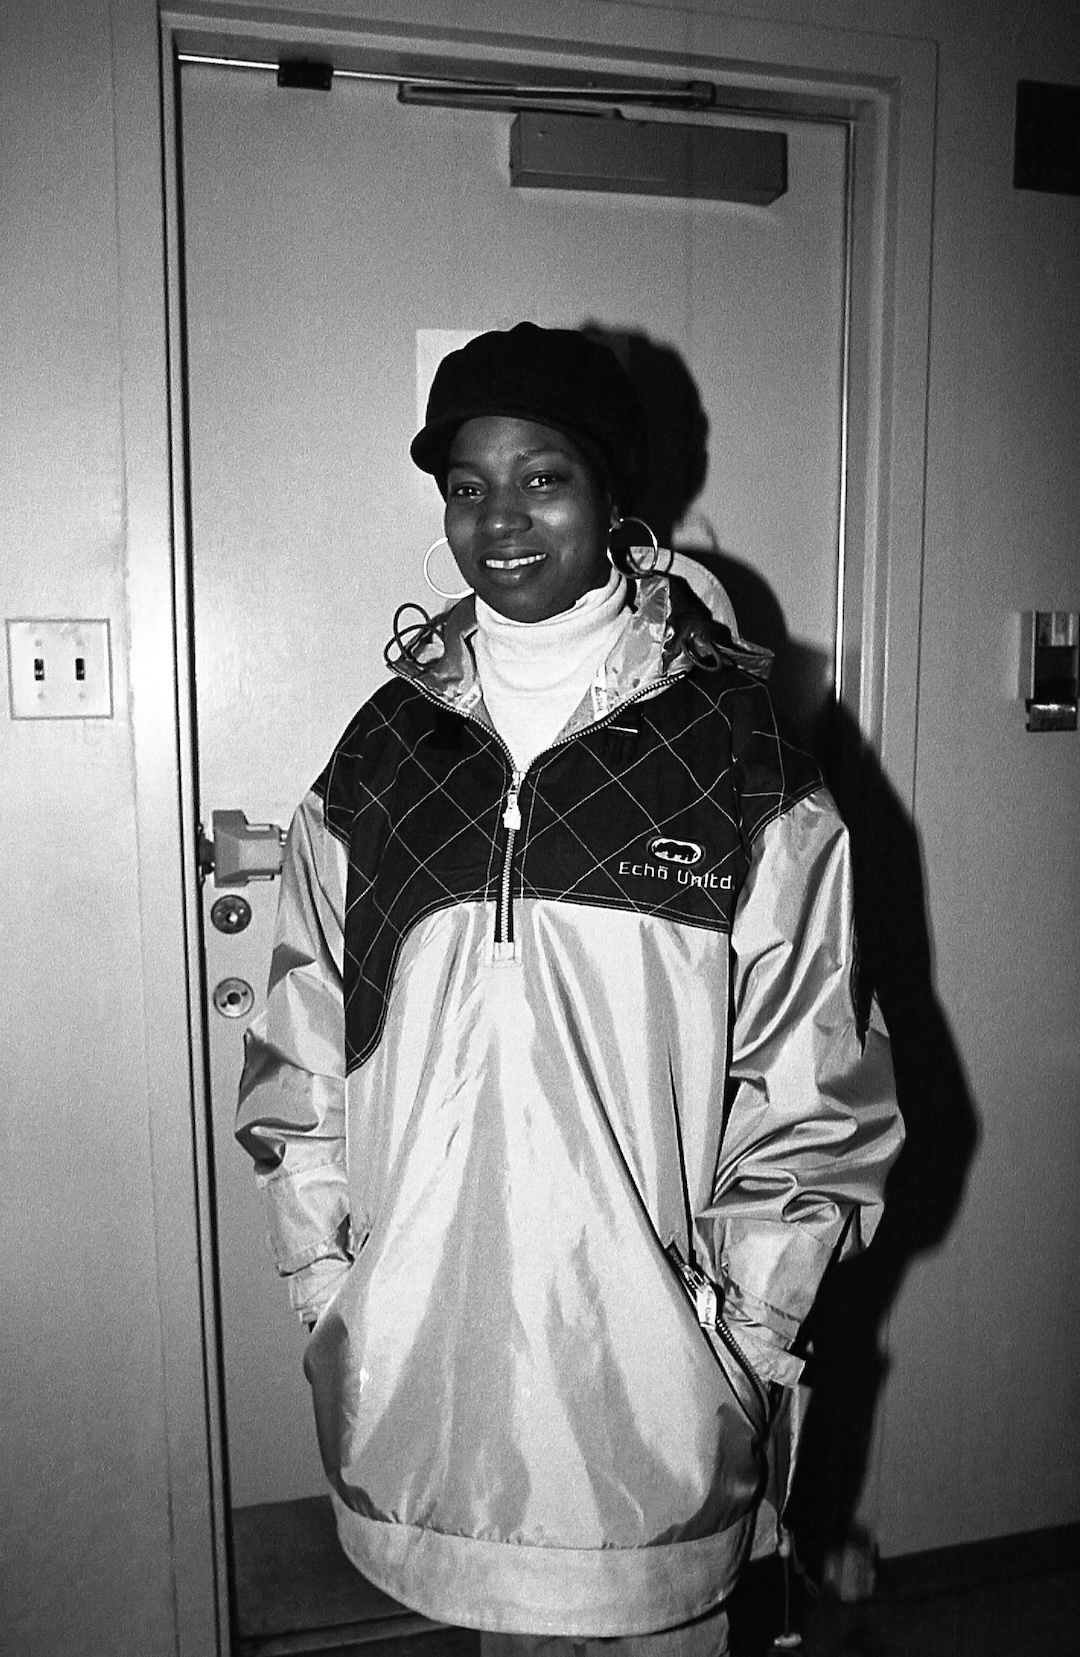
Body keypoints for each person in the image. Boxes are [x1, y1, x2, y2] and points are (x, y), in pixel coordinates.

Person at [236, 322, 903, 1656]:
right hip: (438, 1370)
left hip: (653, 1390)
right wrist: (328, 1283)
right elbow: (300, 1041)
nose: (500, 518)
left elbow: (815, 1076)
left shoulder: (736, 752)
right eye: (467, 484)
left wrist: (745, 1334)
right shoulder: (381, 751)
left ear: (611, 496)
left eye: (542, 476)